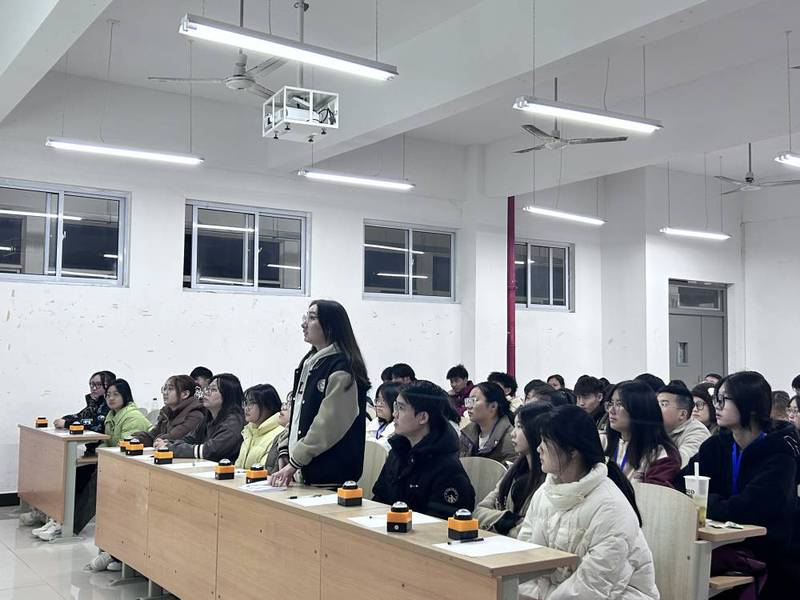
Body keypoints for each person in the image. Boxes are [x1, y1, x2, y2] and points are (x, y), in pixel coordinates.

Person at [677, 371, 800, 599]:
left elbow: (750, 509)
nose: (717, 406)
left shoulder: (781, 452)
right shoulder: (715, 445)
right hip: (723, 545)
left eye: (724, 399)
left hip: (771, 553)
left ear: (750, 405)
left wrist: (707, 502)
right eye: (716, 399)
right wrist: (714, 503)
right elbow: (681, 486)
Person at [518, 405, 658, 600]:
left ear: (572, 450)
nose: (538, 448)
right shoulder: (545, 493)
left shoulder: (610, 507)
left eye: (546, 442)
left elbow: (592, 588)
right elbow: (523, 560)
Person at [34, 378, 150, 542]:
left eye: (116, 394)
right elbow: (107, 441)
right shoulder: (112, 414)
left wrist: (102, 454)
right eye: (108, 395)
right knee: (75, 475)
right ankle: (59, 519)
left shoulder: (132, 417)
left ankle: (69, 526)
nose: (111, 398)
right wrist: (100, 450)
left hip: (129, 465)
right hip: (112, 459)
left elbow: (125, 448)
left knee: (96, 480)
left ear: (126, 396)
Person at [270, 300, 370, 488]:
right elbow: (298, 415)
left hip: (329, 475)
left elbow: (328, 425)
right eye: (305, 317)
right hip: (302, 471)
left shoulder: (342, 368)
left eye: (312, 318)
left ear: (330, 326)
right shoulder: (310, 362)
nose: (304, 323)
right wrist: (285, 449)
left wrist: (295, 461)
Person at [372, 380, 475, 519]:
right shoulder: (397, 452)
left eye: (401, 408)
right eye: (395, 407)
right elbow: (379, 499)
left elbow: (440, 523)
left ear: (423, 417)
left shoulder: (447, 468)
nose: (395, 414)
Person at [473, 402, 551, 537]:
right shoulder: (514, 470)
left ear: (535, 431)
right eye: (514, 426)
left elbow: (530, 531)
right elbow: (478, 512)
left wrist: (500, 524)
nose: (513, 433)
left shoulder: (549, 478)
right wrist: (509, 519)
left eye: (519, 427)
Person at [603, 380, 681, 487]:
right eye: (611, 403)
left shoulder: (661, 454)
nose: (611, 410)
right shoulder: (603, 442)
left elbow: (654, 494)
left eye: (619, 404)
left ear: (639, 410)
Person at [168, 373, 245, 462]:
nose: (206, 393)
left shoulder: (233, 422)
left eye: (213, 390)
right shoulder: (209, 418)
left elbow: (209, 451)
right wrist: (168, 444)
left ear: (228, 395)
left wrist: (170, 448)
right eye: (207, 389)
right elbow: (189, 439)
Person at [134, 375, 206, 447]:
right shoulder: (166, 413)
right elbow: (152, 435)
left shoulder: (195, 416)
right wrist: (136, 439)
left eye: (170, 389)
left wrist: (155, 440)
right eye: (164, 389)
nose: (165, 392)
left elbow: (172, 438)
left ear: (185, 394)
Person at [459, 382, 516, 465]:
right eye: (468, 401)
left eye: (474, 400)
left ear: (493, 406)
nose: (468, 406)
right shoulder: (466, 434)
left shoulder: (510, 439)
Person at [657, 384, 710, 467]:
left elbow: (678, 465)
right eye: (656, 403)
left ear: (682, 414)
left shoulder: (698, 433)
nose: (656, 408)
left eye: (663, 404)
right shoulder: (657, 429)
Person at [235, 384, 284, 469]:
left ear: (269, 406)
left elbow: (264, 470)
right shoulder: (249, 431)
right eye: (246, 403)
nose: (246, 408)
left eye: (252, 403)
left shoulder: (279, 434)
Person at [365, 382, 399, 450]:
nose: (378, 404)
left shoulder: (398, 428)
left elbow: (380, 447)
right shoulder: (376, 422)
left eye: (384, 400)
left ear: (395, 404)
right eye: (378, 400)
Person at [264, 395, 291, 473]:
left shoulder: (295, 438)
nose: (283, 408)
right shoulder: (279, 436)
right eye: (286, 403)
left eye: (290, 404)